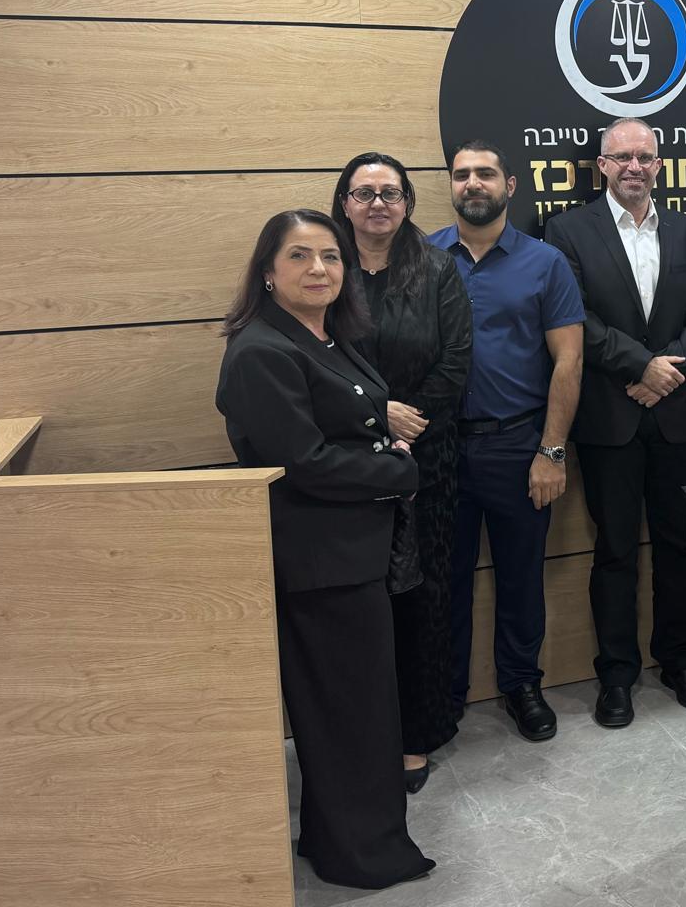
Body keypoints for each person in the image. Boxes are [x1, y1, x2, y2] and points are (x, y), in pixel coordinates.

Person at [214, 209, 434, 889]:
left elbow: (349, 424)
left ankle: (337, 837)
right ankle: (360, 857)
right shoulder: (260, 351)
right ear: (267, 272)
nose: (319, 269)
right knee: (347, 715)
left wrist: (380, 449)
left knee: (357, 708)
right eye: (300, 256)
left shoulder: (325, 335)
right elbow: (302, 462)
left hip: (352, 553)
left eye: (331, 256)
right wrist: (396, 469)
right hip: (319, 562)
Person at [544, 118, 686, 726]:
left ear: (659, 165)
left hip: (677, 413)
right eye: (621, 158)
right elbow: (575, 317)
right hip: (609, 415)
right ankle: (616, 675)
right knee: (615, 549)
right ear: (602, 166)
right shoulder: (568, 230)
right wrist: (641, 365)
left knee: (680, 544)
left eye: (644, 157)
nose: (634, 168)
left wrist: (665, 372)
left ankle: (679, 660)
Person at [425, 141, 584, 742]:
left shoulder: (546, 263)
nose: (473, 183)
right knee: (445, 581)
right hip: (441, 450)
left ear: (509, 186)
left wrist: (552, 451)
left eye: (485, 174)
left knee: (520, 576)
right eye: (461, 174)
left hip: (519, 446)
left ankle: (521, 685)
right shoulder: (424, 257)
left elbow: (569, 362)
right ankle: (445, 695)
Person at [330, 152, 472, 794]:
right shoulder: (325, 268)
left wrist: (405, 424)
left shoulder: (438, 268)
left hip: (426, 460)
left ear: (409, 203)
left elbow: (456, 359)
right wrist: (374, 413)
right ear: (344, 203)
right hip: (347, 466)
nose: (377, 204)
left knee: (423, 603)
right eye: (363, 193)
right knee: (360, 609)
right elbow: (308, 360)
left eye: (390, 193)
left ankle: (417, 736)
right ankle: (363, 738)